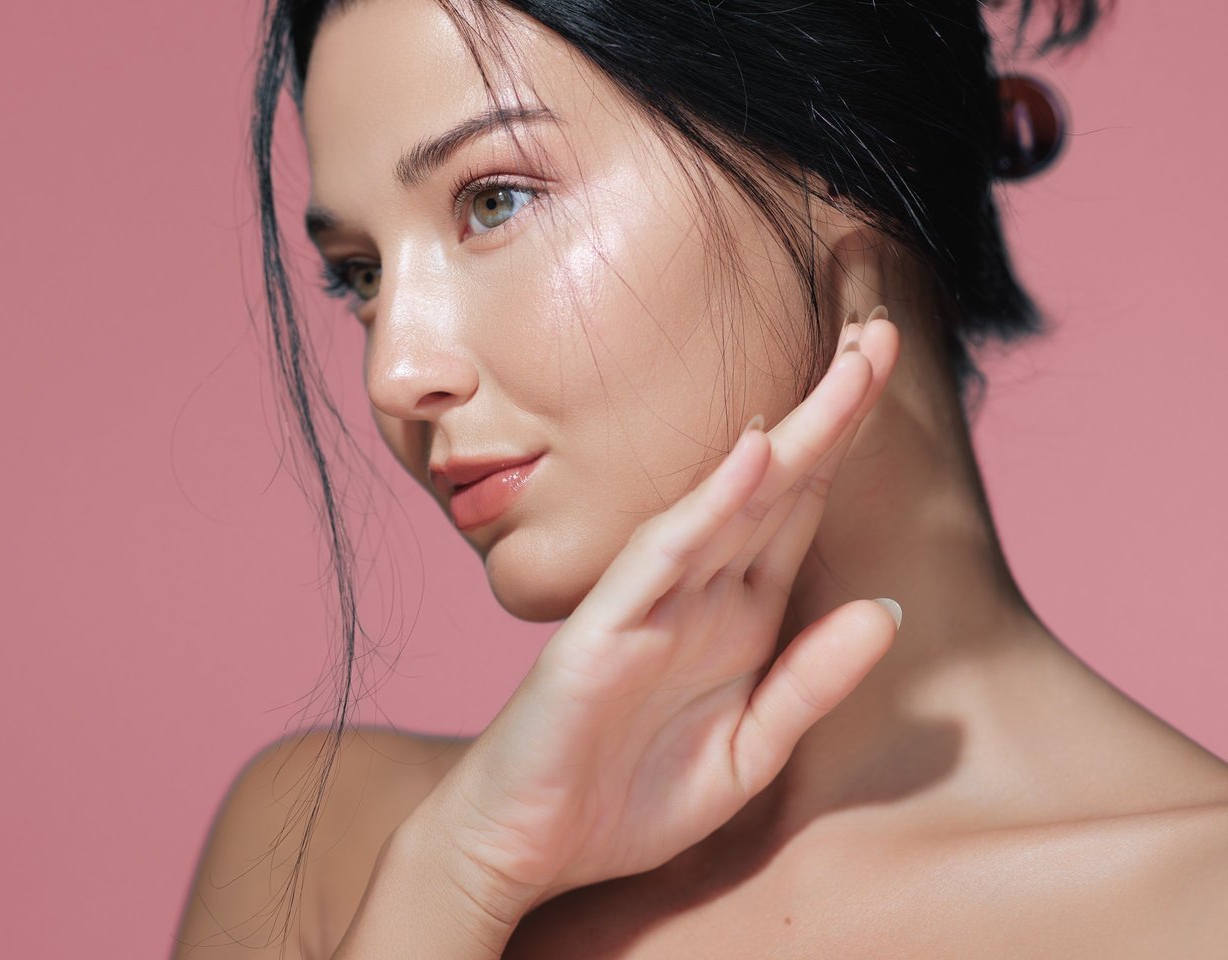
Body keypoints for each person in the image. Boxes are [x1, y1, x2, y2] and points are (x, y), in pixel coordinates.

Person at [173, 0, 1228, 956]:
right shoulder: (329, 854)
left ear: (844, 158)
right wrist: (457, 879)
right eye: (362, 273)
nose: (395, 372)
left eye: (494, 201)